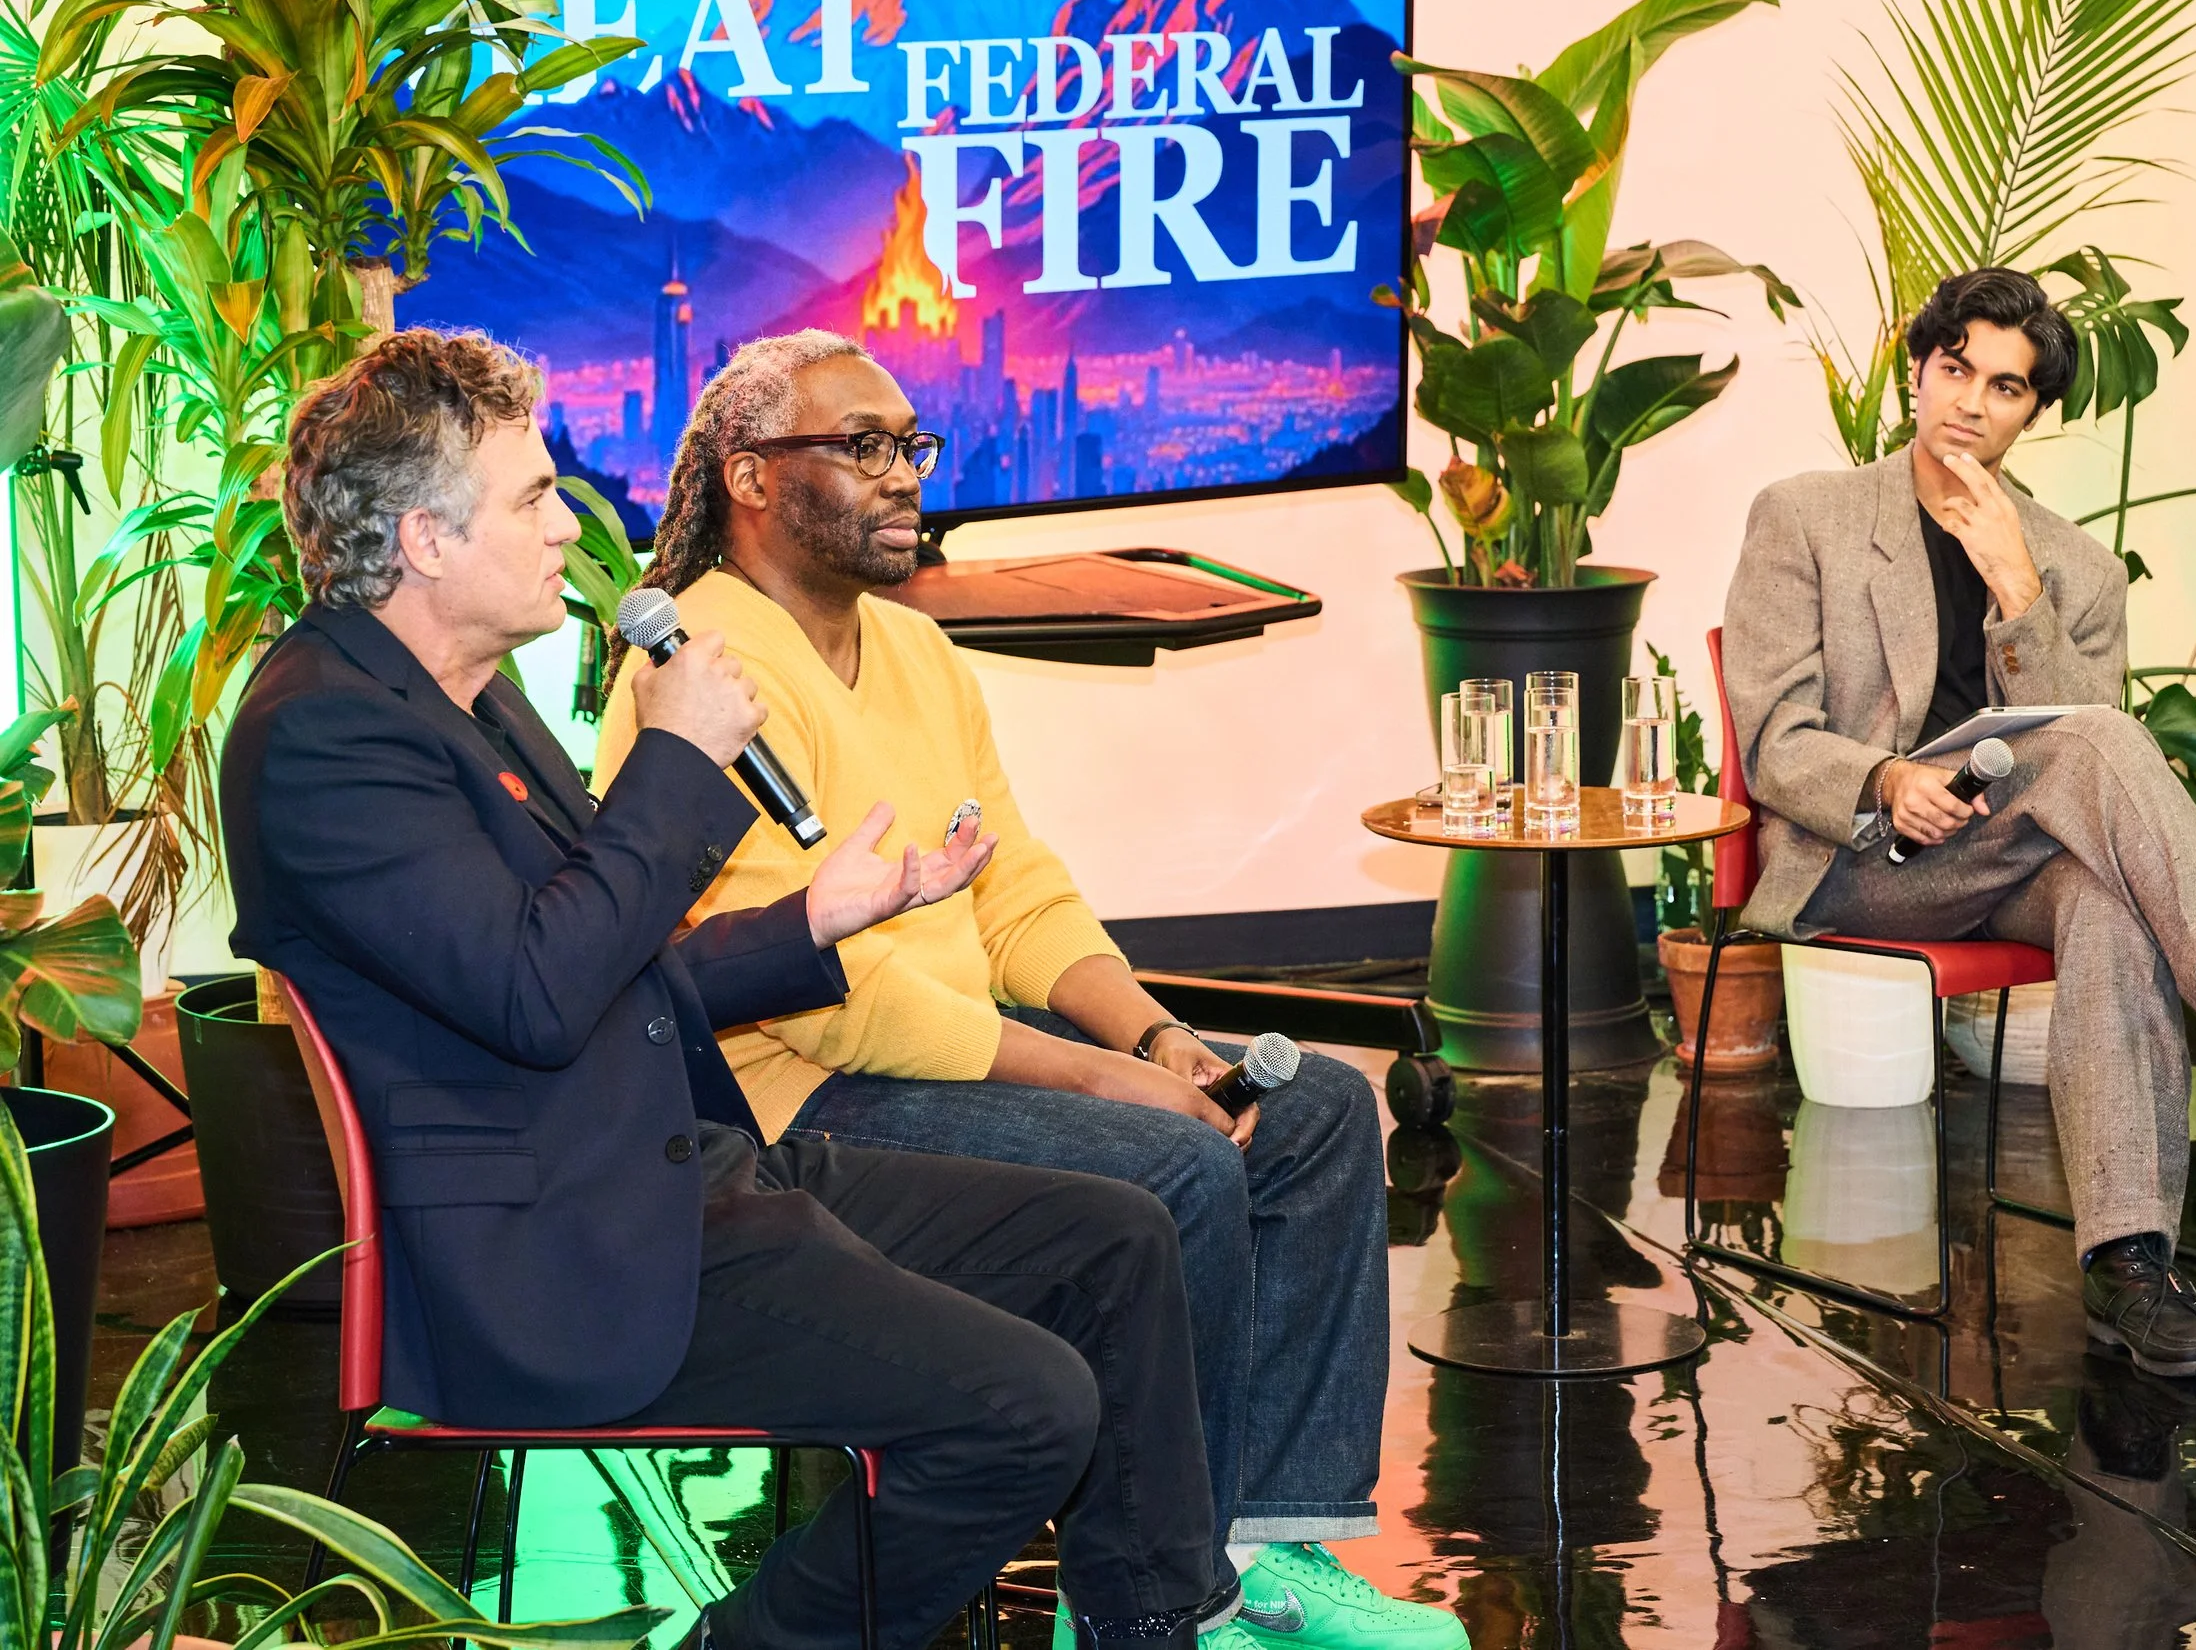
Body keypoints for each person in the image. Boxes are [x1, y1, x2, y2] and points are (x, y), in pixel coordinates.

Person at [224, 328, 1248, 1650]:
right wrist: (678, 758)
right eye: (533, 496)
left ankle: (1156, 1616)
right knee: (1027, 1402)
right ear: (424, 539)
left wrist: (808, 923)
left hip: (671, 1169)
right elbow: (540, 993)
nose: (566, 523)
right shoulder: (324, 732)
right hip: (566, 1257)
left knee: (1118, 1237)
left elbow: (602, 963)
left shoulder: (460, 697)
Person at [595, 331, 1464, 1650]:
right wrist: (1111, 1082)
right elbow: (825, 992)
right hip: (809, 1090)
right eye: (867, 447)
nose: (908, 477)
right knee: (1174, 1166)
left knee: (1319, 1115)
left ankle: (1260, 1538)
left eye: (912, 448)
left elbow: (1015, 890)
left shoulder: (910, 645)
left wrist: (1157, 1037)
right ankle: (1149, 1594)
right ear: (754, 477)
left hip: (949, 1046)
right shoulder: (708, 669)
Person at [1721, 268, 2196, 1379]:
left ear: (2031, 411)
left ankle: (2127, 1261)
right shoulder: (1806, 515)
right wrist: (1880, 779)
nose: (1970, 401)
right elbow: (1772, 736)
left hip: (2008, 857)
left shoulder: (2078, 568)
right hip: (1865, 857)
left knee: (2106, 898)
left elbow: (2079, 747)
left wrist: (2017, 589)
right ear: (1918, 370)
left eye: (2004, 386)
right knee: (2113, 742)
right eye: (1953, 367)